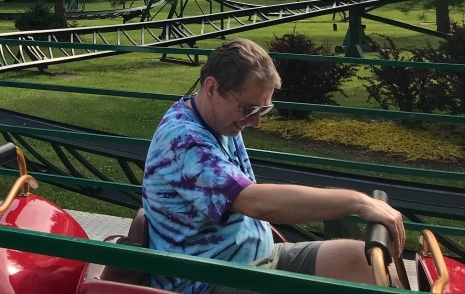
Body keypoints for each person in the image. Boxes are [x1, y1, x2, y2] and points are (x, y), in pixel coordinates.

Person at [143, 38, 405, 294]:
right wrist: (356, 203)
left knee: (361, 261)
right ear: (212, 88)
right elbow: (254, 202)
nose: (256, 121)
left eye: (263, 109)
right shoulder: (183, 140)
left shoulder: (220, 120)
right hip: (211, 279)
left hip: (258, 261)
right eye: (249, 108)